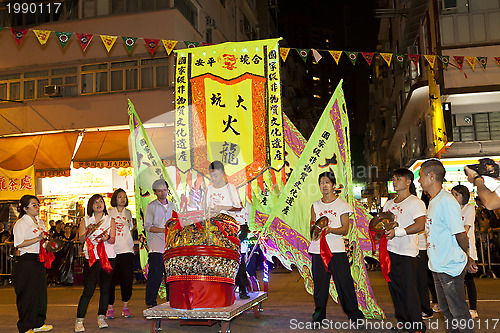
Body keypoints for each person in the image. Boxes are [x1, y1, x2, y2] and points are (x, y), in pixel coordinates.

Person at [419, 159, 477, 333]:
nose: (420, 180)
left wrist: (466, 257)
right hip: (438, 265)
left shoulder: (446, 201)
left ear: (431, 176)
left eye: (421, 176)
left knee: (459, 312)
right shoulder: (434, 201)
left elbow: (460, 234)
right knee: (446, 311)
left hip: (450, 266)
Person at [308, 171, 364, 325]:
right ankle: (319, 316)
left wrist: (330, 230)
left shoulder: (343, 205)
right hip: (318, 250)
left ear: (333, 185)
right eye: (321, 183)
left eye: (327, 182)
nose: (324, 186)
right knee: (320, 285)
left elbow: (345, 229)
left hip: (337, 251)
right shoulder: (315, 205)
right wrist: (317, 231)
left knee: (344, 283)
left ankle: (354, 315)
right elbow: (312, 229)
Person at [383, 169, 427, 332]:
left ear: (408, 182)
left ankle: (417, 325)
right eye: (393, 179)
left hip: (407, 253)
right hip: (389, 251)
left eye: (398, 179)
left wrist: (398, 231)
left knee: (409, 290)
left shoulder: (415, 202)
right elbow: (383, 224)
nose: (394, 182)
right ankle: (402, 321)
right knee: (395, 289)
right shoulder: (389, 203)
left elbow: (421, 224)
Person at [202, 161, 247, 298]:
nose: (213, 178)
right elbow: (204, 209)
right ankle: (218, 290)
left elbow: (239, 207)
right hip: (213, 227)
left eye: (215, 175)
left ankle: (243, 288)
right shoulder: (208, 190)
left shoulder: (230, 188)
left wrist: (222, 208)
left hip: (229, 227)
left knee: (234, 257)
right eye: (211, 175)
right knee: (215, 259)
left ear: (222, 174)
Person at [12, 195, 53, 333]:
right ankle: (25, 326)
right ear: (25, 208)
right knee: (27, 295)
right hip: (26, 261)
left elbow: (43, 241)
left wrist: (50, 245)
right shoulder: (21, 223)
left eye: (38, 205)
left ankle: (38, 323)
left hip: (39, 259)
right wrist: (38, 238)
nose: (38, 208)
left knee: (40, 293)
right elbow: (18, 243)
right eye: (34, 205)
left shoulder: (40, 222)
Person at [75, 194, 116, 332]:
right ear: (90, 205)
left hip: (108, 257)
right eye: (95, 202)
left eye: (101, 201)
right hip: (91, 258)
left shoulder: (110, 220)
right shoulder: (86, 220)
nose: (99, 204)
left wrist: (107, 237)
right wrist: (87, 232)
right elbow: (81, 240)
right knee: (89, 289)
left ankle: (101, 317)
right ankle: (79, 320)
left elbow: (112, 240)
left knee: (106, 289)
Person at [451, 185, 479, 319]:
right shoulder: (451, 210)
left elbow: (465, 230)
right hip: (454, 250)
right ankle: (459, 308)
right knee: (457, 281)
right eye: (452, 194)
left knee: (468, 280)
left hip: (467, 250)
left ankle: (473, 308)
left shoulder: (469, 208)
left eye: (456, 194)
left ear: (464, 196)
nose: (454, 197)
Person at [106, 188, 134, 319]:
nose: (122, 199)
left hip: (127, 250)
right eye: (119, 197)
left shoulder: (128, 213)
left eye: (124, 197)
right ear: (114, 198)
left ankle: (126, 307)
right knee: (110, 281)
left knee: (127, 280)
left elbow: (130, 229)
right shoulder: (108, 212)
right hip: (112, 250)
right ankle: (110, 308)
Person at [145, 179, 172, 308]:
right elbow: (148, 226)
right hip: (156, 247)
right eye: (160, 191)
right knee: (155, 275)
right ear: (155, 192)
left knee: (170, 276)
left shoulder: (173, 206)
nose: (163, 193)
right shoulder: (151, 207)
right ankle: (151, 302)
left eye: (165, 190)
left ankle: (170, 301)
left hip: (170, 247)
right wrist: (164, 230)